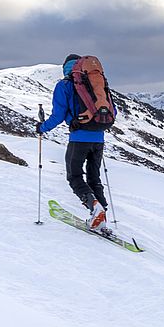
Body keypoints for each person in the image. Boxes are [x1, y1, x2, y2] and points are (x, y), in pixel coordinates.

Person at [38, 54, 108, 230]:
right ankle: (101, 216)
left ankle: (95, 208)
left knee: (74, 175)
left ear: (65, 68)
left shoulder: (65, 85)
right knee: (94, 178)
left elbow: (58, 115)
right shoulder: (97, 82)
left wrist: (42, 128)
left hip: (79, 138)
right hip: (99, 137)